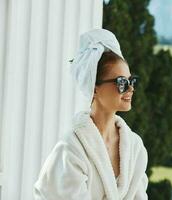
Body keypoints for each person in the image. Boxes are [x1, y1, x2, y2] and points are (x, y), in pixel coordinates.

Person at [33, 28, 149, 200]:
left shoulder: (135, 146)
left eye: (131, 81)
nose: (130, 88)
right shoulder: (72, 149)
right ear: (94, 88)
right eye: (122, 82)